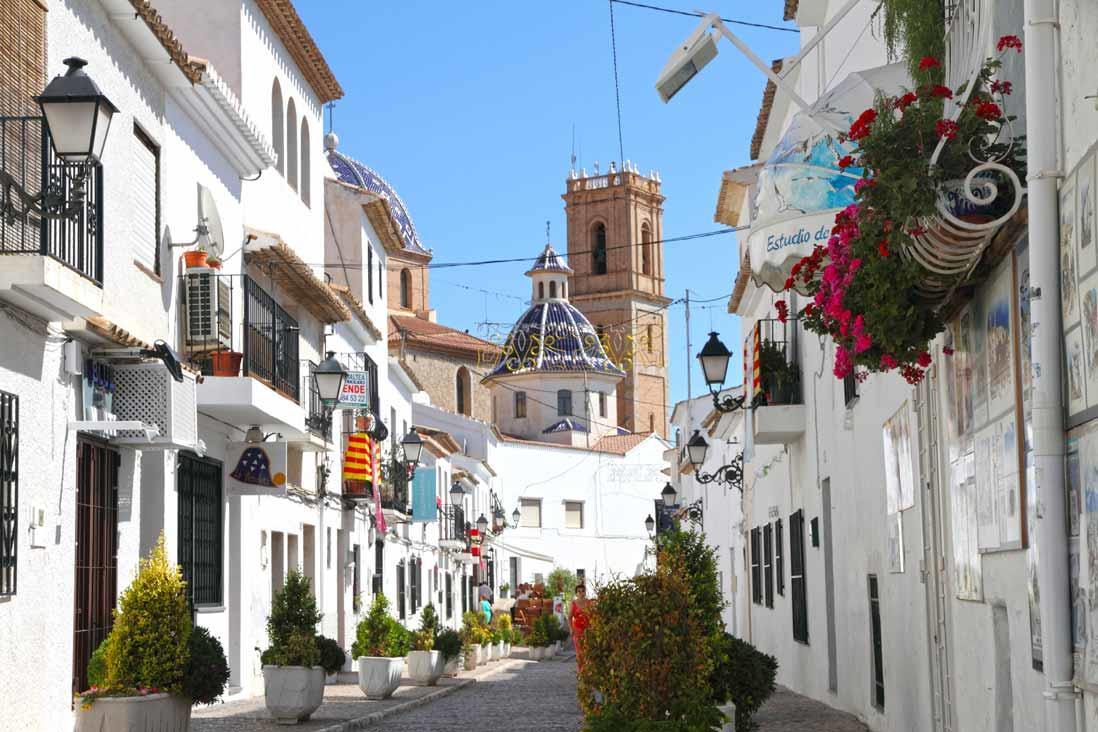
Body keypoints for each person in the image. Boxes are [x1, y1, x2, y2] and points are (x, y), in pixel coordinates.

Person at [569, 583, 591, 669]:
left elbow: (594, 616)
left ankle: (588, 672)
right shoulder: (573, 603)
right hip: (577, 630)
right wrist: (571, 629)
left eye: (583, 591)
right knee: (579, 652)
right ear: (576, 593)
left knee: (588, 651)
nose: (581, 593)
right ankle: (581, 672)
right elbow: (569, 617)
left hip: (588, 630)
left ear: (585, 592)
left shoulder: (589, 602)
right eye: (579, 591)